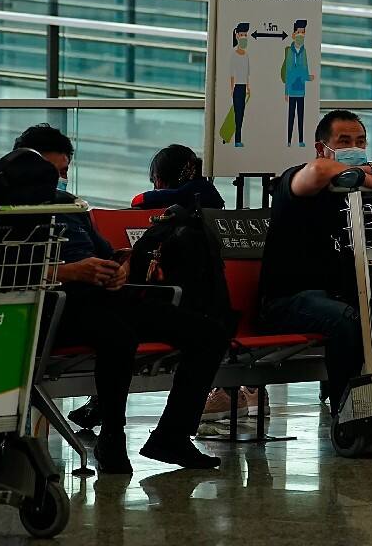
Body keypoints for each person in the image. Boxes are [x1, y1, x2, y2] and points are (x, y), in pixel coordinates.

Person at [15, 125, 229, 472]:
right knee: (118, 335)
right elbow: (9, 268)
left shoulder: (72, 207)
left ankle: (171, 436)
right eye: (54, 173)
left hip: (102, 298)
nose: (60, 180)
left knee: (209, 334)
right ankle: (112, 438)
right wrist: (71, 272)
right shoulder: (10, 209)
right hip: (56, 306)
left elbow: (107, 252)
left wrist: (119, 267)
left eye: (64, 172)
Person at [259, 110, 372, 414]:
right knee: (347, 320)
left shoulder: (362, 184)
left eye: (360, 140)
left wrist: (369, 172)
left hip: (348, 294)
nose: (354, 146)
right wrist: (366, 177)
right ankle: (352, 413)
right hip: (289, 300)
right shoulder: (298, 180)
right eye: (344, 141)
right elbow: (318, 171)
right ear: (321, 147)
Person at [281, 19, 314, 148]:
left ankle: (300, 140)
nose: (301, 35)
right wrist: (286, 91)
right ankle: (289, 140)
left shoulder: (304, 52)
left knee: (301, 116)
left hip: (301, 90)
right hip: (292, 89)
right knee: (291, 116)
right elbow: (289, 71)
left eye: (303, 32)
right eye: (299, 32)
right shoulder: (290, 51)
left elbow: (305, 69)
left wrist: (308, 77)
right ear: (294, 34)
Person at [229, 23, 251, 147]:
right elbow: (232, 74)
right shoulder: (234, 54)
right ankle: (235, 139)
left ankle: (238, 138)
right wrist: (232, 88)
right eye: (242, 35)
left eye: (245, 35)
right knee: (236, 114)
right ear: (237, 36)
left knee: (241, 114)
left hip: (243, 87)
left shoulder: (246, 55)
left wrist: (248, 87)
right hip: (237, 87)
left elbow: (247, 73)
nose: (244, 37)